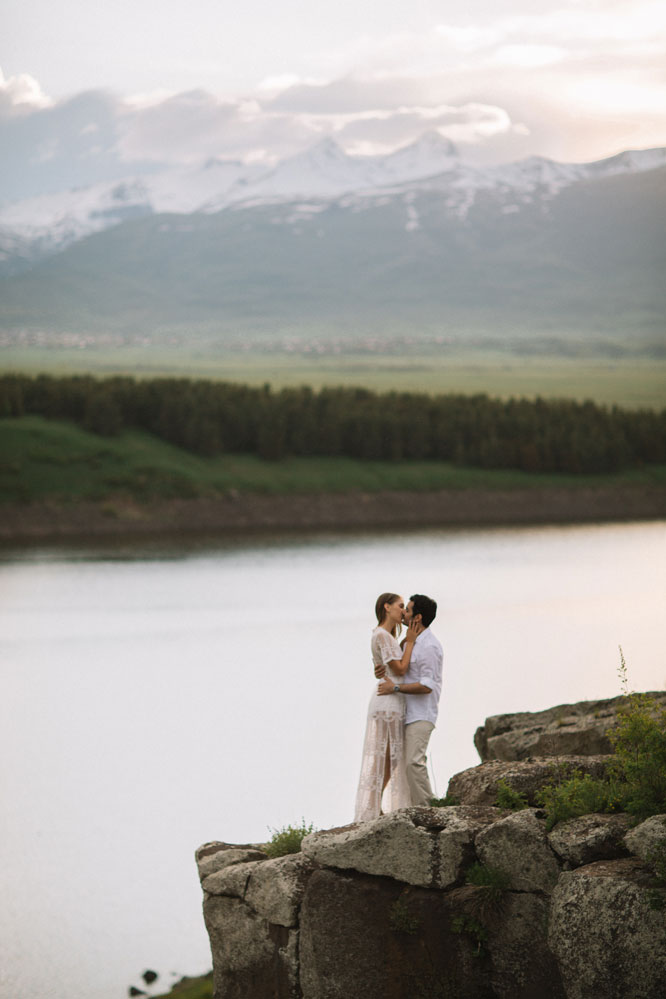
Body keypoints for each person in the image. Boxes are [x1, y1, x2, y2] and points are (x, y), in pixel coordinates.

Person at [353, 593, 423, 823]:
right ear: (387, 607)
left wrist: (407, 639)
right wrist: (411, 641)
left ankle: (375, 806)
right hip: (387, 703)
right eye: (400, 606)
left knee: (387, 757)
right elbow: (401, 670)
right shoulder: (383, 636)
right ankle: (373, 807)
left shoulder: (385, 636)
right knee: (387, 757)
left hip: (389, 699)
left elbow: (388, 666)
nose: (403, 611)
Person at [376, 594, 443, 806]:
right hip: (405, 712)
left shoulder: (430, 646)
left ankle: (429, 808)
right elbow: (399, 669)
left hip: (421, 715)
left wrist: (394, 687)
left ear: (418, 617)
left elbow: (427, 686)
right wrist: (382, 669)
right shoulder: (409, 643)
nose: (404, 613)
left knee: (414, 762)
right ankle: (416, 809)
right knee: (401, 764)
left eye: (408, 609)